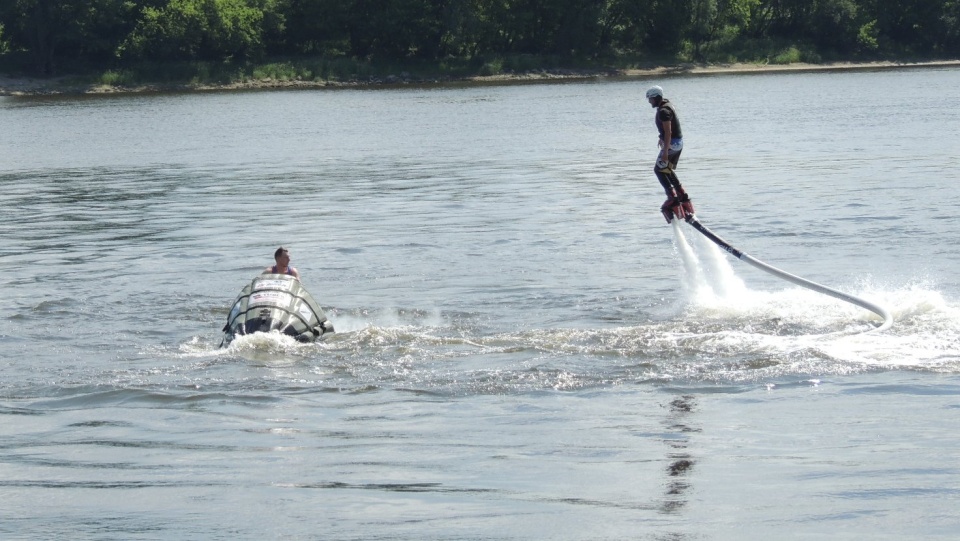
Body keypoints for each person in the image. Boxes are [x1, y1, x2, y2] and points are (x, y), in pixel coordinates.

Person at [647, 85, 695, 223]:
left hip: (672, 144)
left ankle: (672, 198)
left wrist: (666, 152)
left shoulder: (663, 111)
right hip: (677, 143)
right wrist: (661, 137)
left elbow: (669, 132)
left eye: (650, 99)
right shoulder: (667, 105)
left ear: (655, 97)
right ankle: (682, 196)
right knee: (666, 169)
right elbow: (667, 129)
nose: (649, 101)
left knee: (659, 170)